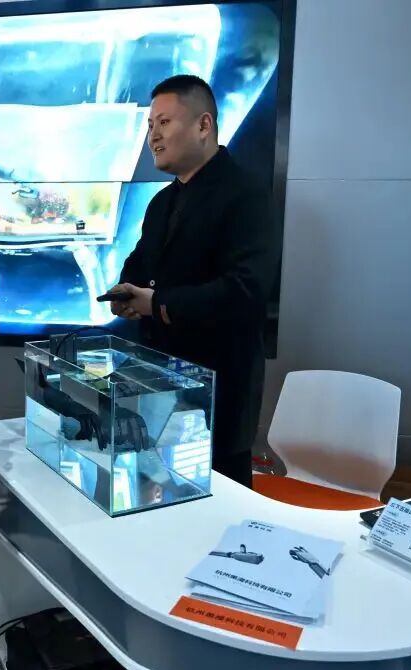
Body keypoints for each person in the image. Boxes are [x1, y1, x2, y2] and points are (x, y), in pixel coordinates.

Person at [108, 75, 281, 488]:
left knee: (221, 507)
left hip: (220, 393)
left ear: (204, 125)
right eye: (150, 125)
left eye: (164, 123)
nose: (153, 136)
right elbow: (139, 263)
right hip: (158, 388)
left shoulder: (246, 195)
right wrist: (123, 292)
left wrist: (157, 303)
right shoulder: (162, 202)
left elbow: (245, 291)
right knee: (157, 495)